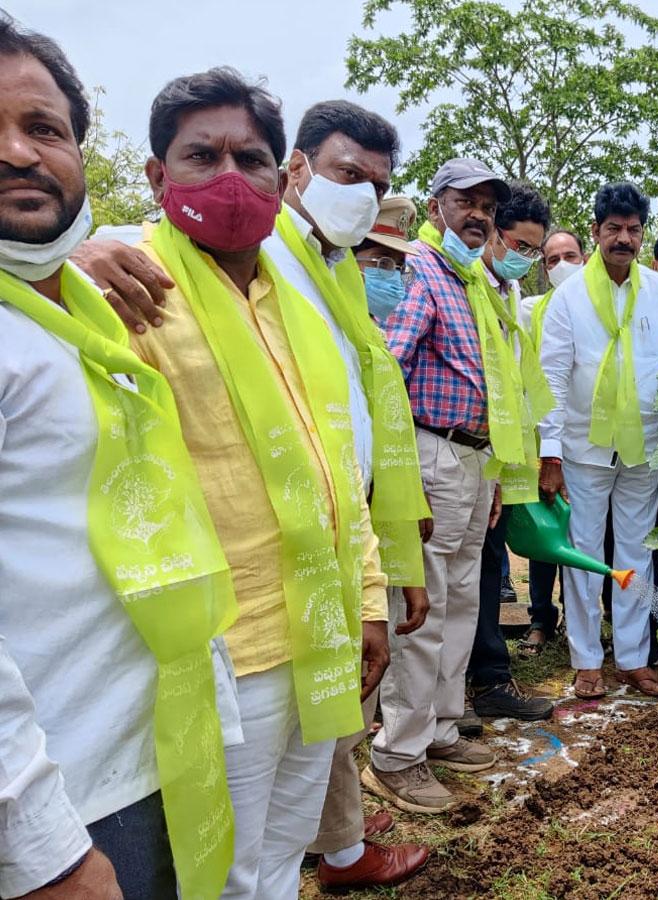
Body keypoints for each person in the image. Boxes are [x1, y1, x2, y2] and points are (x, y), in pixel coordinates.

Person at [124, 68, 393, 898]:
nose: (231, 177)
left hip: (317, 624)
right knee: (220, 867)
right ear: (157, 176)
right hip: (220, 649)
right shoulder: (124, 287)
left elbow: (335, 469)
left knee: (281, 850)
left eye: (251, 157)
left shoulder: (291, 305)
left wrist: (371, 603)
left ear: (284, 178)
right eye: (202, 156)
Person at [0, 21, 237, 899]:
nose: (20, 153)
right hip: (57, 801)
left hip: (151, 753)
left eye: (45, 128)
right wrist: (41, 849)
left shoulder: (78, 313)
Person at [270, 101, 431, 891]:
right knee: (307, 692)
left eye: (378, 183)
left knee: (337, 687)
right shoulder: (261, 254)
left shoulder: (333, 271)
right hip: (285, 516)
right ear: (294, 168)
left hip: (346, 509)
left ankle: (333, 843)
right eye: (346, 174)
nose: (362, 195)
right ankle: (327, 849)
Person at [369, 158, 524, 813]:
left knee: (462, 601)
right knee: (423, 608)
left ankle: (438, 727)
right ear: (435, 208)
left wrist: (491, 475)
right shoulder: (420, 272)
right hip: (430, 452)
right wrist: (407, 484)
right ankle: (398, 753)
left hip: (472, 456)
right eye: (466, 201)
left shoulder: (472, 281)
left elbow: (492, 382)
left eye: (488, 205)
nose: (479, 213)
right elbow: (389, 372)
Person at [538, 181, 658, 700]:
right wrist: (549, 452)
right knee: (582, 553)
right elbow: (552, 377)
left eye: (634, 230)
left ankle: (633, 659)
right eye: (614, 229)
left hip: (642, 446)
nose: (624, 238)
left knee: (636, 553)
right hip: (582, 447)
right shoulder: (567, 296)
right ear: (596, 231)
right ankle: (586, 660)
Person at [467, 182, 556, 721]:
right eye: (519, 245)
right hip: (470, 452)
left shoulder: (507, 293)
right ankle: (479, 681)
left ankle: (487, 677)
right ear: (493, 235)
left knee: (485, 567)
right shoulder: (470, 284)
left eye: (534, 251)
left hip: (498, 458)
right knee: (470, 574)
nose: (526, 259)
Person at [518, 227, 588, 656]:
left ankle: (599, 622)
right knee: (547, 533)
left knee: (595, 538)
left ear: (586, 256)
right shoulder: (533, 310)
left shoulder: (605, 309)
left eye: (569, 255)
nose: (561, 265)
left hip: (597, 442)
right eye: (551, 260)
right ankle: (542, 618)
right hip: (548, 439)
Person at [357, 195, 422, 323]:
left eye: (401, 268)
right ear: (348, 257)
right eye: (383, 263)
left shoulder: (370, 326)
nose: (395, 278)